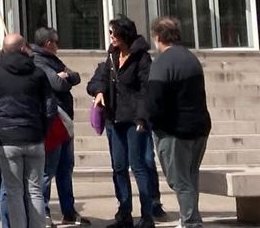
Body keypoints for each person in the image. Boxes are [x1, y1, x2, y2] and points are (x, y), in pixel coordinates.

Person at [0, 34, 55, 228]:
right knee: (35, 190)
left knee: (13, 191)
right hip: (34, 136)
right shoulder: (37, 73)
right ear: (23, 48)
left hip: (7, 138)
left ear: (3, 49)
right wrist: (42, 129)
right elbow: (50, 107)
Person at [89, 17, 159, 228]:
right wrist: (100, 91)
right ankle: (124, 212)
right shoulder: (111, 56)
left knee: (139, 166)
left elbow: (145, 91)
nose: (111, 37)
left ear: (124, 35)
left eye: (114, 33)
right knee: (118, 167)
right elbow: (97, 80)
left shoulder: (142, 58)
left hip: (133, 120)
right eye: (110, 33)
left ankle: (147, 215)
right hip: (114, 119)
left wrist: (141, 117)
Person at [146, 17, 212, 228]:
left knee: (180, 180)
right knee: (190, 177)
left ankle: (191, 221)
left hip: (175, 130)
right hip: (198, 127)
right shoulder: (191, 59)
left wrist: (152, 122)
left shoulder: (162, 63)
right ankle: (190, 218)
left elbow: (154, 100)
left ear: (157, 37)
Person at [31, 27, 88, 226]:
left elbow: (74, 76)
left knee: (66, 168)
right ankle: (44, 211)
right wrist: (63, 77)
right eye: (55, 42)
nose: (58, 45)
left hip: (66, 121)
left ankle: (68, 210)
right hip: (54, 121)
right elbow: (58, 84)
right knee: (49, 169)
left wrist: (67, 76)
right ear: (48, 43)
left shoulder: (53, 61)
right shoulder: (38, 61)